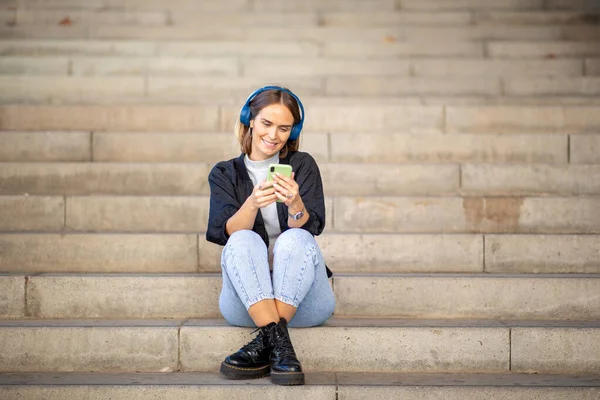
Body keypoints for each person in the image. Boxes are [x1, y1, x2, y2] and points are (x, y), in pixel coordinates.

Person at [206, 86, 335, 386]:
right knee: (242, 238)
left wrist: (296, 204)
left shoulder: (302, 165)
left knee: (296, 236)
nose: (274, 135)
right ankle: (280, 346)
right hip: (246, 304)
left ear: (292, 132)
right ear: (249, 120)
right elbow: (225, 233)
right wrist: (251, 202)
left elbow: (310, 227)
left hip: (305, 304)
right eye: (266, 123)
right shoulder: (225, 173)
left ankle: (266, 342)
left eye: (284, 128)